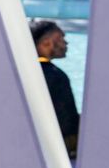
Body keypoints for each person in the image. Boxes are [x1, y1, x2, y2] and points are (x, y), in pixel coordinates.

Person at [31, 19, 78, 159]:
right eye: (61, 38)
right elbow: (67, 123)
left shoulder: (25, 73)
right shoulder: (56, 76)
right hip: (56, 153)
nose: (65, 43)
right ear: (46, 42)